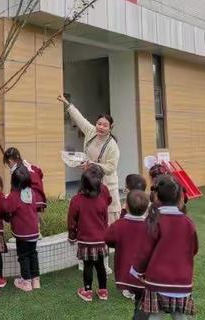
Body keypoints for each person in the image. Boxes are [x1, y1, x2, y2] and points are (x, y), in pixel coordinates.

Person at [132, 175, 198, 319]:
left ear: (156, 196)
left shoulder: (154, 221)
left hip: (157, 281)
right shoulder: (188, 222)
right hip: (182, 282)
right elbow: (194, 249)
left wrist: (137, 271)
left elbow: (144, 251)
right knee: (180, 316)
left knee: (155, 316)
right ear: (179, 196)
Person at [58, 94, 121, 224]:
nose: (101, 127)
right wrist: (67, 103)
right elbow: (79, 118)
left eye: (105, 125)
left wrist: (91, 164)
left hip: (107, 185)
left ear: (110, 128)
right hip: (90, 181)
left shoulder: (112, 146)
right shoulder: (91, 131)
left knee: (109, 218)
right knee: (92, 214)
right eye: (99, 124)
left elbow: (111, 168)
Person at [68, 168, 111, 302]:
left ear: (82, 184)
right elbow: (105, 220)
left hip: (85, 241)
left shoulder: (76, 200)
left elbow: (71, 221)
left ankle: (87, 291)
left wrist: (72, 236)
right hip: (100, 240)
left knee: (87, 266)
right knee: (100, 266)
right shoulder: (102, 200)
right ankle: (103, 291)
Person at [105, 190, 150, 319]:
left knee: (140, 304)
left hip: (126, 274)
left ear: (127, 206)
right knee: (142, 302)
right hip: (144, 275)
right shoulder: (150, 226)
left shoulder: (119, 225)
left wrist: (118, 245)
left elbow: (108, 238)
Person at [4, 166, 41, 292]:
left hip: (22, 234)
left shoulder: (14, 195)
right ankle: (35, 280)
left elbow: (7, 208)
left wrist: (5, 197)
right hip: (34, 232)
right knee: (33, 254)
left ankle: (26, 282)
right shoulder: (32, 193)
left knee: (23, 256)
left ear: (13, 181)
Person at [3, 147, 46, 214]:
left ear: (10, 161)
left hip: (30, 197)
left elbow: (15, 190)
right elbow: (40, 174)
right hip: (37, 195)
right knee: (34, 219)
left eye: (8, 164)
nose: (9, 166)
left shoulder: (18, 171)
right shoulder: (28, 166)